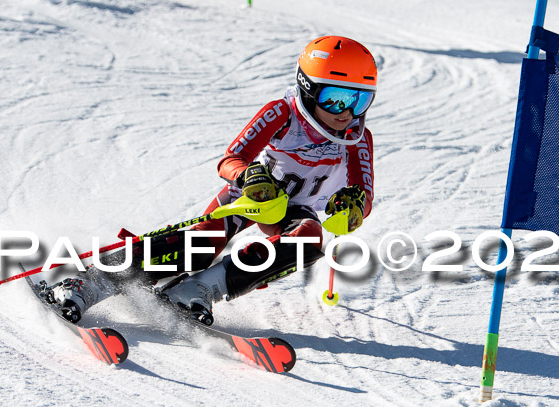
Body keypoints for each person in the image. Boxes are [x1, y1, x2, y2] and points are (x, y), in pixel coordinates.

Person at [48, 36, 378, 326]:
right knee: (200, 248)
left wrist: (352, 208)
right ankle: (90, 282)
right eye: (335, 98)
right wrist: (249, 176)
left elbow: (365, 194)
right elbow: (230, 160)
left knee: (309, 237)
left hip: (296, 208)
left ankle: (198, 288)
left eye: (359, 100)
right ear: (308, 89)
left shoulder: (357, 139)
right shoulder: (283, 113)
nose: (346, 112)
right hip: (254, 197)